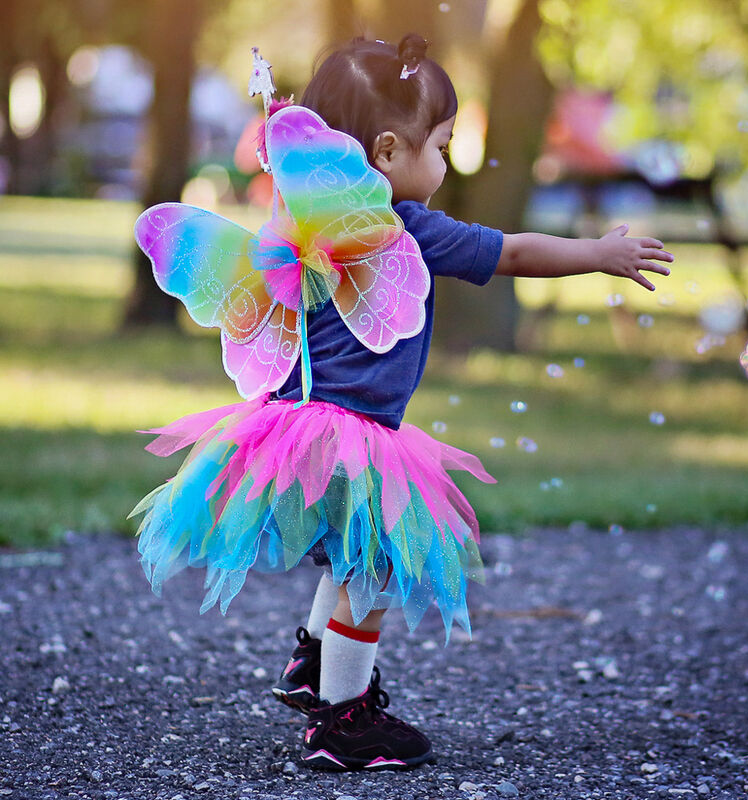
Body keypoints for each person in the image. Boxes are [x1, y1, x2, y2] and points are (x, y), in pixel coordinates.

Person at [131, 34, 673, 772]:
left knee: (353, 558)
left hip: (292, 425)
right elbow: (511, 253)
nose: (446, 164)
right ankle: (344, 723)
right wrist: (596, 255)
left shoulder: (299, 228)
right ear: (387, 153)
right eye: (443, 146)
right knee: (377, 564)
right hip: (353, 435)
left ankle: (315, 665)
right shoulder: (406, 228)